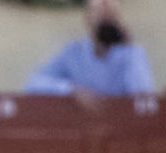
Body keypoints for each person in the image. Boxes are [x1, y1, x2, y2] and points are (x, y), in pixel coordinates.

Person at [24, 0, 156, 108]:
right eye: (100, 13)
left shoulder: (133, 53)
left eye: (111, 15)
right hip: (80, 130)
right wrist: (71, 89)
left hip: (119, 129)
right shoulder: (73, 52)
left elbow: (143, 99)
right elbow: (33, 83)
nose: (105, 21)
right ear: (88, 19)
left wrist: (129, 50)